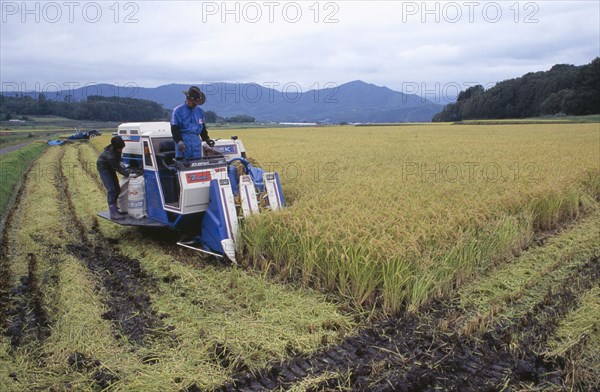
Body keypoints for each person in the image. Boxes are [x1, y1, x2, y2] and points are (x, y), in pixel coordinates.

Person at [96, 136, 138, 220]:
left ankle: (115, 209)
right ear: (115, 147)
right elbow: (118, 169)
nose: (121, 150)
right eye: (120, 148)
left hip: (110, 167)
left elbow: (118, 163)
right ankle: (113, 213)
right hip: (104, 169)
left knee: (117, 189)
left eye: (122, 148)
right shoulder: (110, 156)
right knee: (111, 190)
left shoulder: (115, 149)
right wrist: (130, 174)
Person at [171, 86, 215, 160]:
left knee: (197, 165)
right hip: (183, 142)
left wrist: (206, 138)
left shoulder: (199, 112)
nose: (195, 104)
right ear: (188, 99)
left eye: (196, 103)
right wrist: (179, 141)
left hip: (196, 143)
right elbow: (175, 128)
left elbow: (202, 127)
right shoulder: (178, 111)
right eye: (194, 102)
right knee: (183, 167)